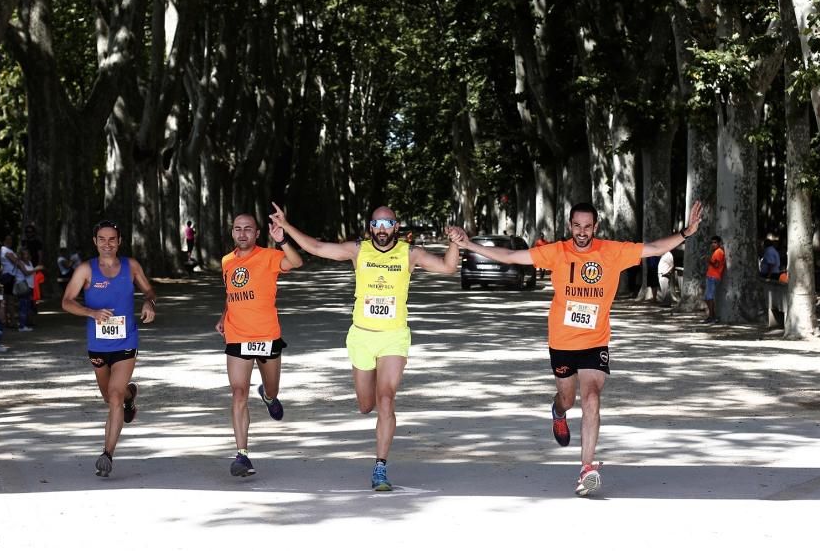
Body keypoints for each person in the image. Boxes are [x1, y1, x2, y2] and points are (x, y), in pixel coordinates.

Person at [449, 200, 703, 497]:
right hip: (562, 342)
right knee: (568, 399)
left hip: (595, 341)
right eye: (577, 226)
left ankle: (587, 469)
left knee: (592, 397)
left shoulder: (612, 251)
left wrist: (686, 232)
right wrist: (469, 244)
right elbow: (511, 256)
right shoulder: (556, 252)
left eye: (588, 226)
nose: (582, 232)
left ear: (596, 227)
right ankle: (558, 411)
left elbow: (655, 248)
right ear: (570, 225)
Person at [270, 202, 460, 492]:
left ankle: (380, 466)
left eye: (387, 224)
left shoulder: (410, 253)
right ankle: (371, 417)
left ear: (396, 227)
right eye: (376, 224)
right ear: (370, 227)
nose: (382, 229)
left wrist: (455, 242)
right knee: (365, 404)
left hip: (394, 337)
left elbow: (448, 267)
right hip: (361, 336)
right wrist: (286, 227)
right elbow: (318, 248)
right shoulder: (358, 250)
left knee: (386, 399)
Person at [62, 220, 156, 477]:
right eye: (102, 239)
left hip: (127, 341)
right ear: (95, 242)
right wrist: (91, 312)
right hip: (98, 345)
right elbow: (67, 302)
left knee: (113, 395)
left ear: (119, 241)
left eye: (112, 239)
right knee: (110, 396)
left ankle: (107, 454)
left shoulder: (131, 266)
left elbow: (149, 290)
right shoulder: (86, 270)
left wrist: (149, 303)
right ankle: (130, 397)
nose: (107, 244)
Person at [217, 213, 303, 477]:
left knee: (273, 386)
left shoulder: (269, 256)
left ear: (257, 234)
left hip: (266, 336)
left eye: (248, 229)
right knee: (238, 392)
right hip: (237, 335)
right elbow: (231, 295)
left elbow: (297, 262)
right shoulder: (227, 261)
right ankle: (242, 455)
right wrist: (223, 317)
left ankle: (268, 395)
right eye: (237, 229)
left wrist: (283, 240)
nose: (242, 234)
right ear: (232, 232)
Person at [13, 247, 42, 332]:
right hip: (23, 287)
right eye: (24, 254)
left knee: (27, 306)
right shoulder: (20, 263)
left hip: (30, 287)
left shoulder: (29, 262)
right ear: (21, 255)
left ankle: (24, 324)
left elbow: (32, 273)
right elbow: (26, 273)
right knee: (23, 306)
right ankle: (22, 326)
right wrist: (36, 269)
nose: (26, 255)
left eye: (27, 253)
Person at [705, 235, 725, 323]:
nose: (713, 244)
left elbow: (716, 265)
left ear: (719, 243)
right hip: (711, 276)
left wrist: (708, 260)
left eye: (715, 242)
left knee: (710, 297)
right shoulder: (716, 251)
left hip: (713, 277)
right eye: (712, 242)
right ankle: (711, 316)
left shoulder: (718, 252)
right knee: (708, 298)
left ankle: (712, 316)